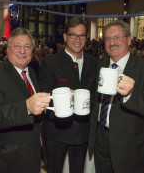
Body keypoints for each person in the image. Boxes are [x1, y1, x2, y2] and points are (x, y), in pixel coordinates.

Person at [88, 20, 144, 173]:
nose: (112, 43)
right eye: (108, 39)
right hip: (100, 140)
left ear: (129, 40)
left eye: (117, 37)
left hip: (130, 146)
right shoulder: (101, 66)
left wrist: (131, 94)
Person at [0, 27, 50, 173]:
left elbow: (36, 102)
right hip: (5, 160)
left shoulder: (32, 72)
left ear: (33, 50)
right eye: (17, 46)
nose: (22, 51)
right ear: (8, 49)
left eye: (27, 46)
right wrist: (26, 108)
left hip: (31, 154)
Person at [39, 17, 98, 173]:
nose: (78, 40)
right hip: (56, 132)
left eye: (82, 35)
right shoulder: (50, 63)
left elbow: (96, 96)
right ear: (65, 37)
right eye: (73, 35)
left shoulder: (94, 63)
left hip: (83, 132)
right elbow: (45, 94)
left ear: (86, 38)